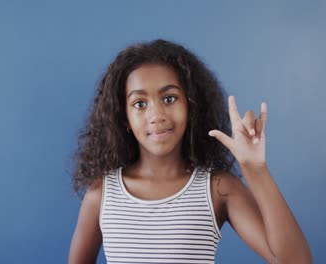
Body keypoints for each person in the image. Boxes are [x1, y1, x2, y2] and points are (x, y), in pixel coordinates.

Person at [67, 39, 312, 264]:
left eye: (169, 98)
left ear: (191, 105)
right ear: (124, 118)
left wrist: (255, 169)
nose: (157, 115)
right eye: (140, 104)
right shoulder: (102, 194)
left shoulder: (217, 189)